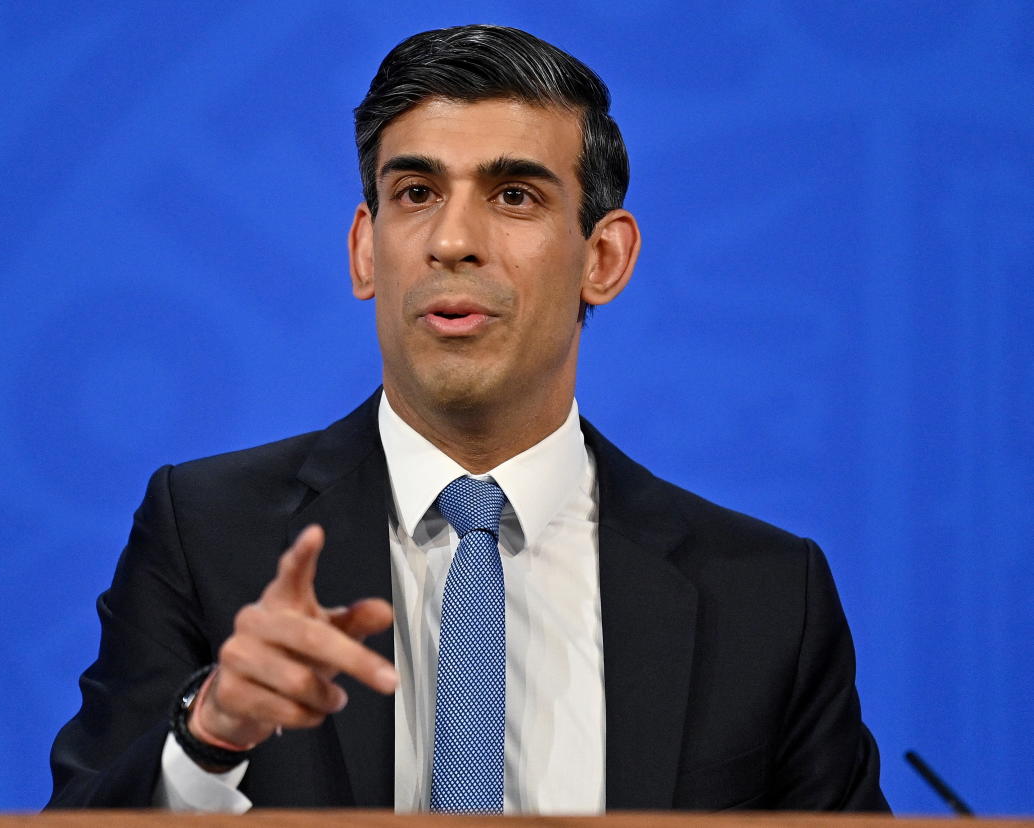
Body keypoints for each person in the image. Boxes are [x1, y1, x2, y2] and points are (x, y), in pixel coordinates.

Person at [48, 24, 888, 813]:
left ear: (604, 257)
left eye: (514, 194)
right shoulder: (207, 536)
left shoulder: (765, 593)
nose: (453, 241)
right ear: (366, 250)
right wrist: (209, 735)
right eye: (415, 192)